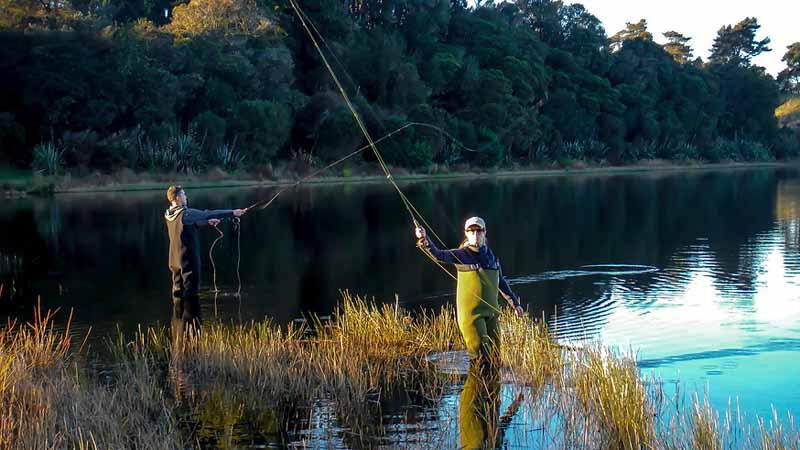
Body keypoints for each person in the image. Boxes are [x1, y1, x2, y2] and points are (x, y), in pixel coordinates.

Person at [415, 216, 523, 360]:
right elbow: (438, 255)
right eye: (471, 231)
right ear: (466, 233)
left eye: (479, 231)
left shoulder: (491, 256)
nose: (475, 234)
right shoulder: (461, 254)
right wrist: (424, 238)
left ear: (484, 232)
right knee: (480, 357)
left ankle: (493, 382)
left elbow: (500, 281)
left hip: (491, 313)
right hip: (472, 316)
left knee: (496, 356)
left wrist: (515, 304)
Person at [164, 185, 246, 328]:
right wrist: (232, 212)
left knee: (178, 295)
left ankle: (178, 331)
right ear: (177, 198)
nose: (186, 197)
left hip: (175, 261)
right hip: (188, 262)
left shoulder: (169, 214)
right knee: (192, 296)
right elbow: (208, 213)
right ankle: (192, 333)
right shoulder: (185, 213)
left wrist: (206, 223)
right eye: (183, 194)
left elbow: (184, 226)